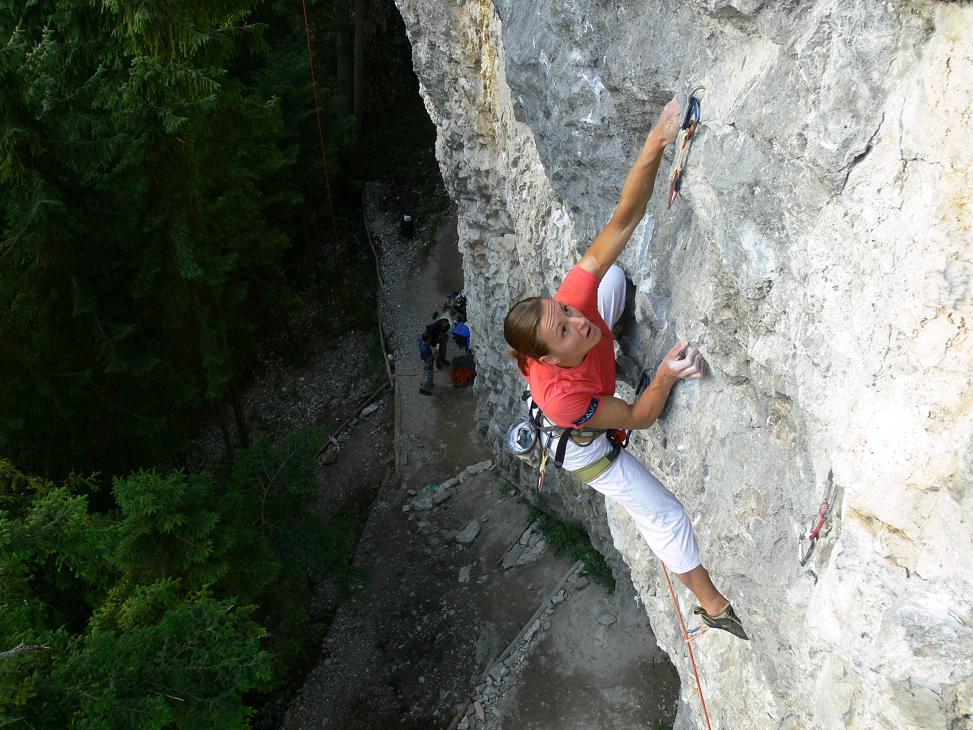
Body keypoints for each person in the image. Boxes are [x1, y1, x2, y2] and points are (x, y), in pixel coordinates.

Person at [503, 98, 748, 640]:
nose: (575, 320)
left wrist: (657, 140)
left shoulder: (573, 307)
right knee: (665, 515)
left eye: (563, 310)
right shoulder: (562, 397)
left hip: (587, 381)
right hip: (586, 444)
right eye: (563, 328)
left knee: (611, 282)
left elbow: (625, 218)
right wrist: (665, 373)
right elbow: (638, 417)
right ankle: (711, 604)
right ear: (546, 358)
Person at [418, 328, 436, 396]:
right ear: (428, 339)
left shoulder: (422, 340)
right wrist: (434, 353)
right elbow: (427, 360)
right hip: (428, 363)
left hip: (427, 363)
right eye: (430, 338)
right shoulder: (424, 350)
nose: (431, 339)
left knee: (425, 373)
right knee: (429, 376)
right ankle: (424, 390)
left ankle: (426, 383)